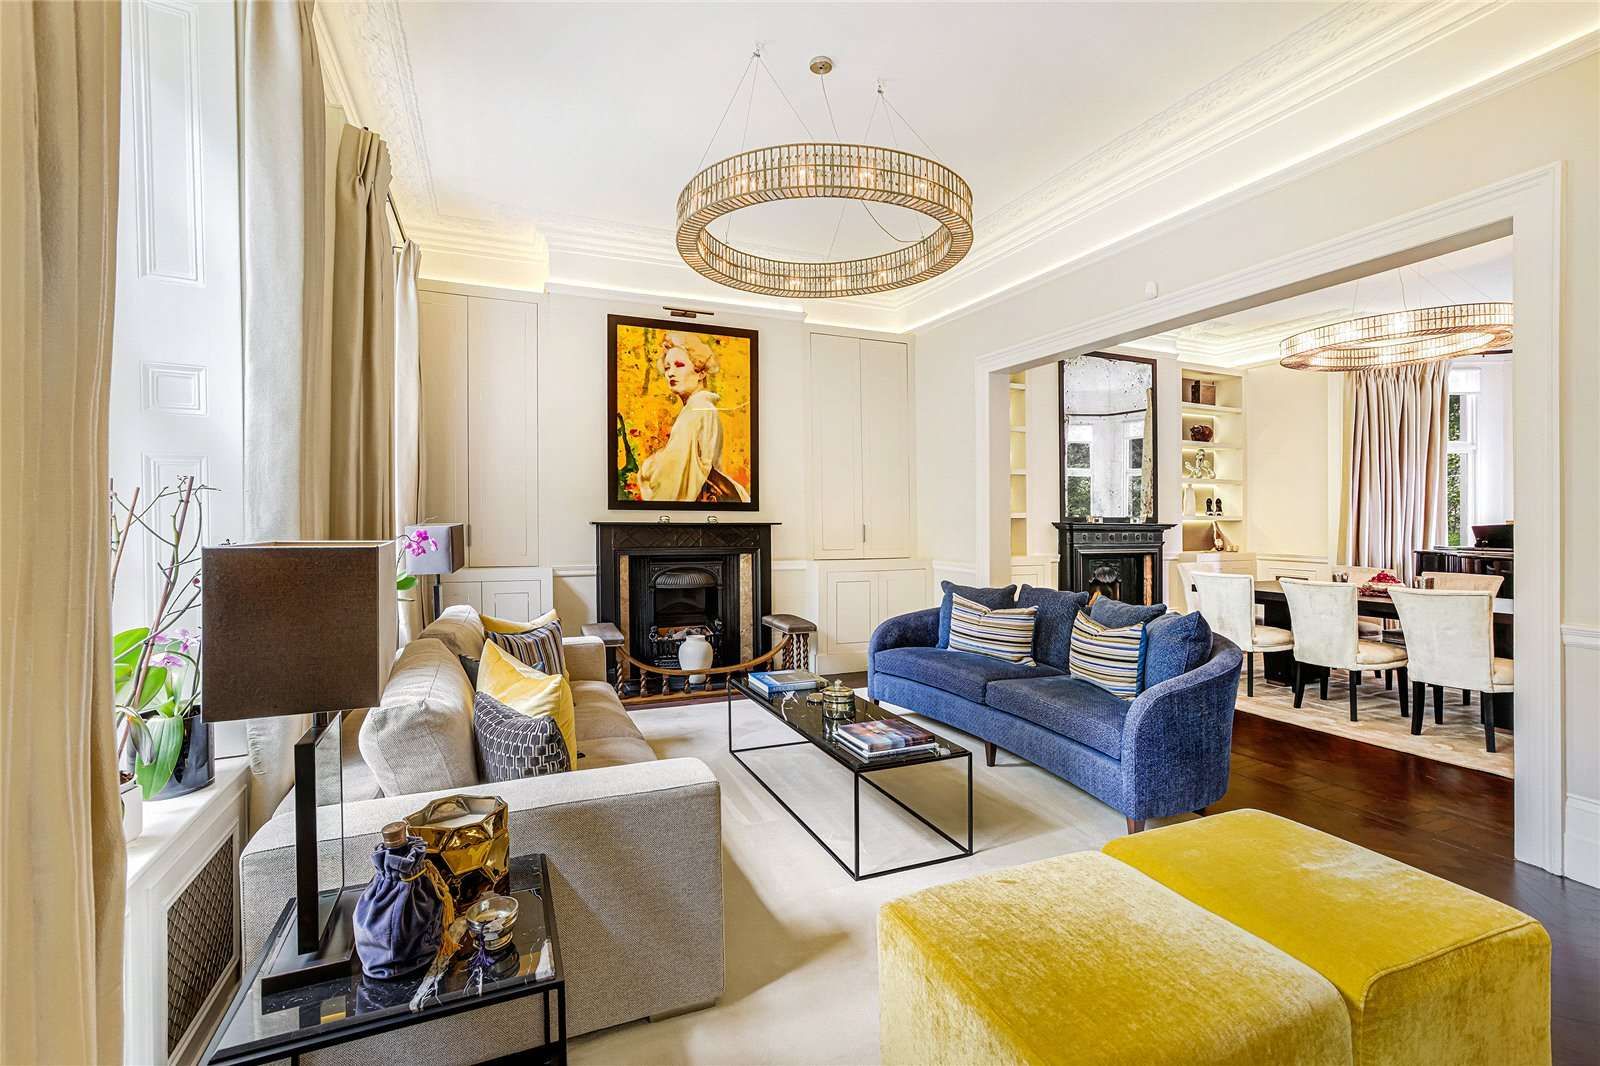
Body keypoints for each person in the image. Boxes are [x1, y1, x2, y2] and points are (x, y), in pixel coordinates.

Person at [637, 332, 750, 503]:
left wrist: (648, 468)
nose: (670, 373)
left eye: (679, 365)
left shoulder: (697, 410)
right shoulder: (702, 408)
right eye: (667, 368)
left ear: (701, 373)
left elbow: (675, 468)